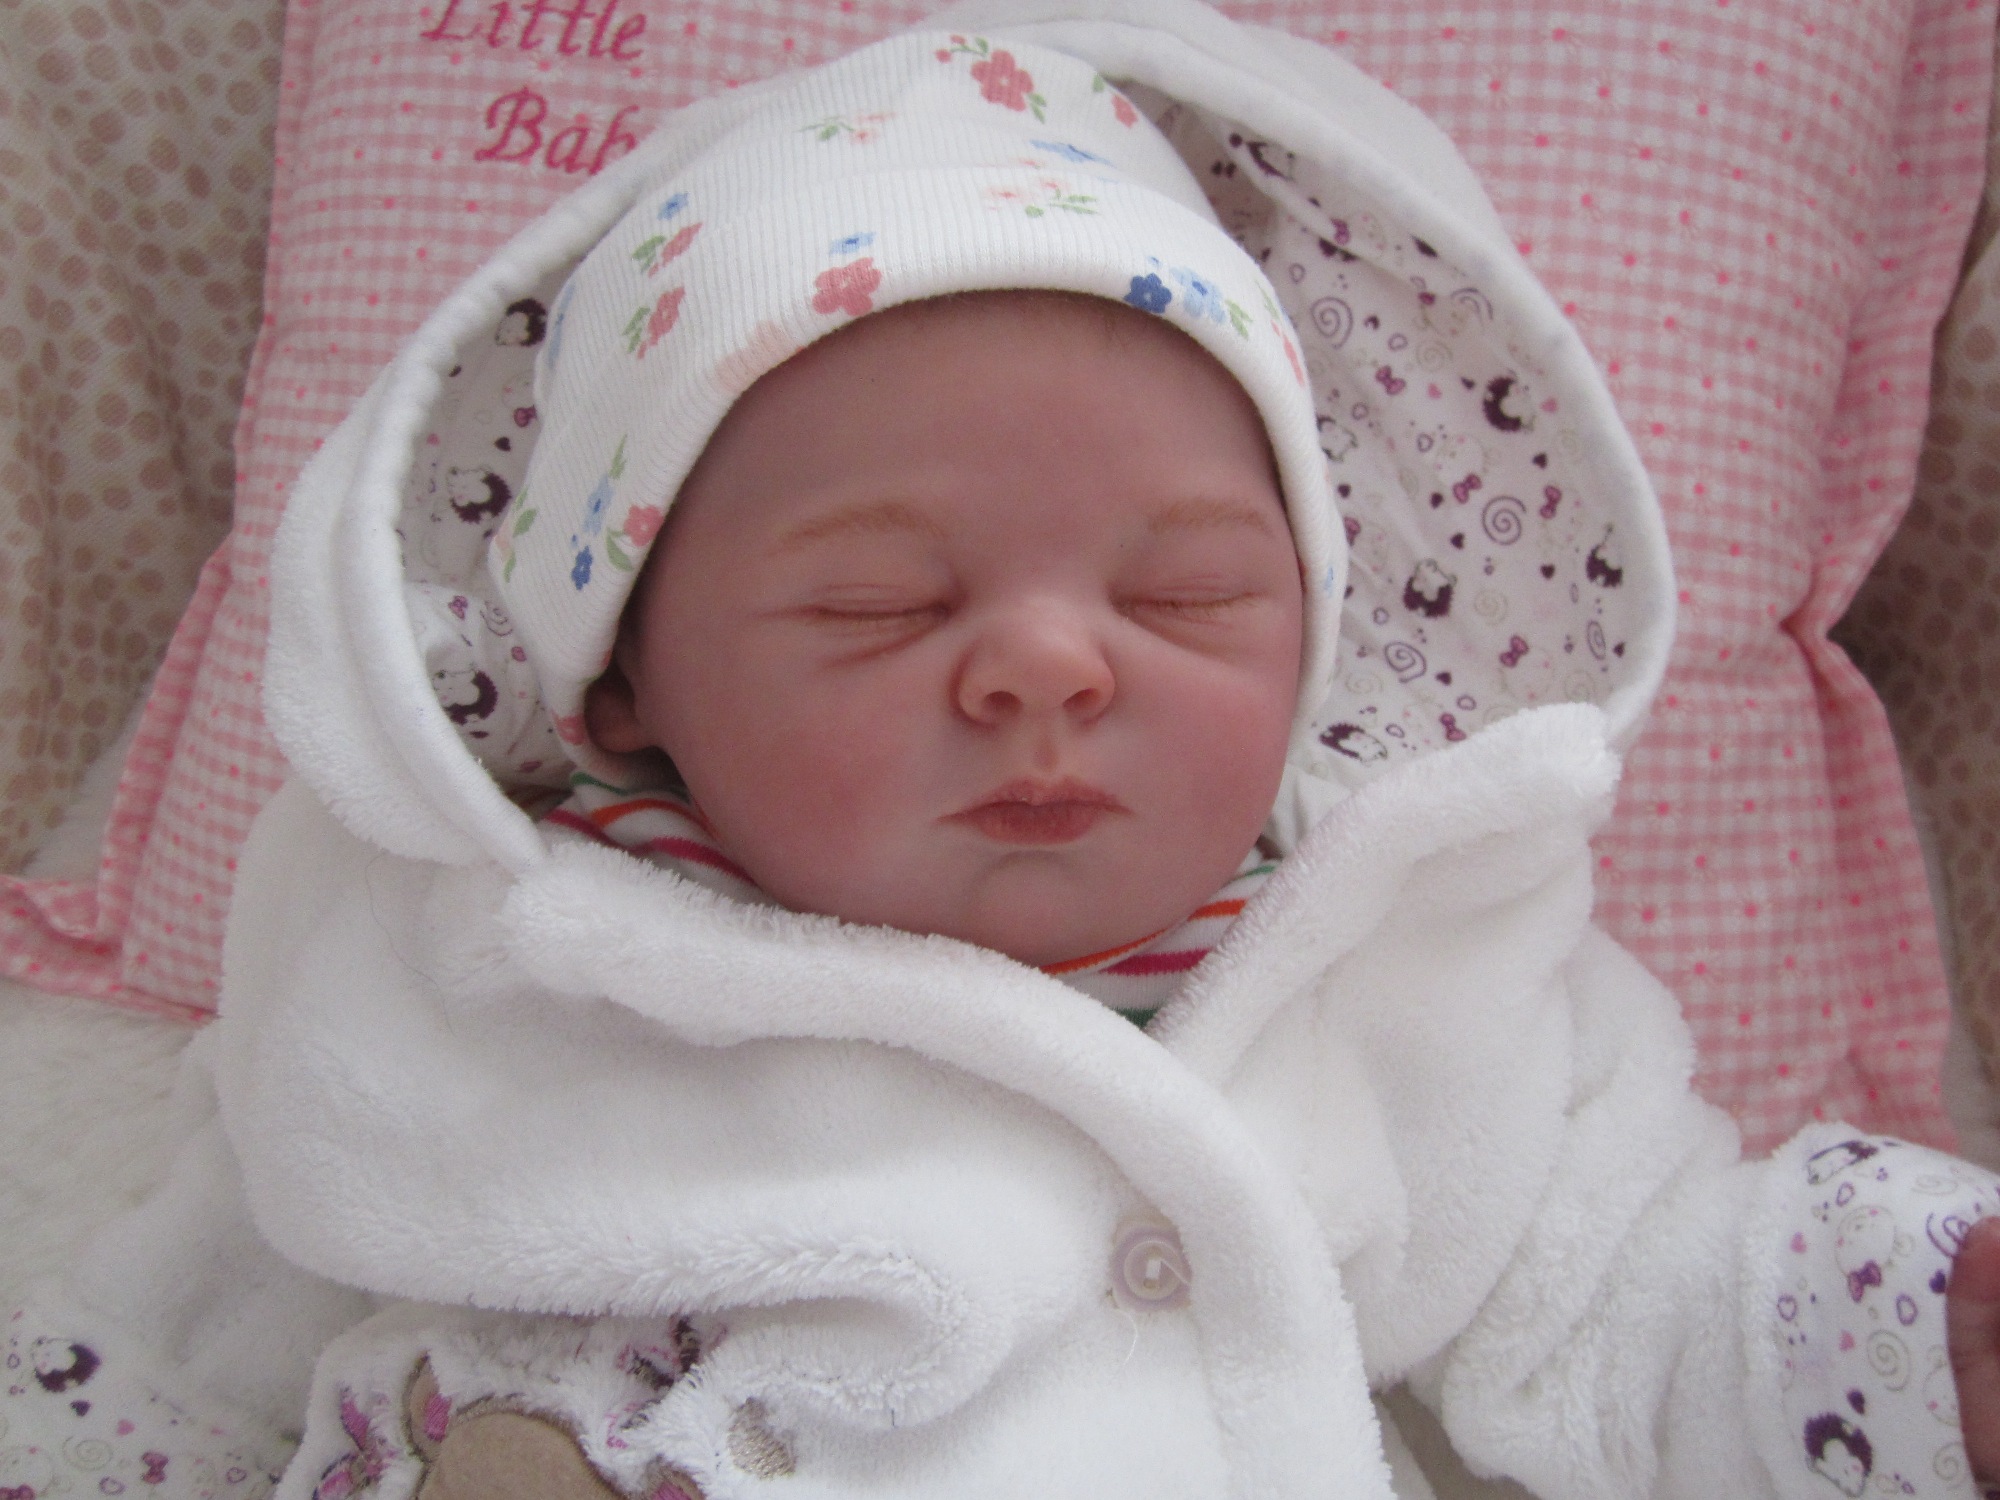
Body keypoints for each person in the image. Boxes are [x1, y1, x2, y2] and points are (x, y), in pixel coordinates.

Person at [10, 9, 2000, 1499]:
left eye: (1189, 594)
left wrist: (1911, 1326)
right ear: (621, 682)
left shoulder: (1397, 963)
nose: (1047, 665)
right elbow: (220, 1281)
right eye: (879, 605)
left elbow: (1630, 1282)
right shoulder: (490, 947)